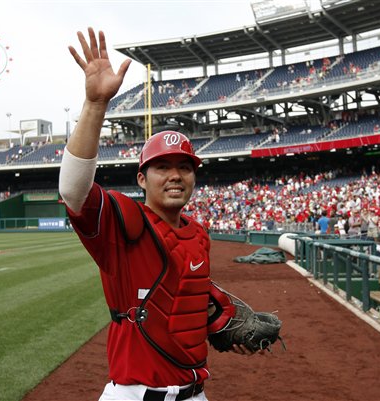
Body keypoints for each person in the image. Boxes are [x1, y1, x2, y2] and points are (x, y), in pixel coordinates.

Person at [59, 28, 258, 401]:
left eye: (184, 167)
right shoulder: (122, 224)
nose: (174, 175)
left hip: (193, 393)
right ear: (141, 177)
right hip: (131, 395)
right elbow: (73, 191)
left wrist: (221, 322)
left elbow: (185, 297)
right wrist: (95, 106)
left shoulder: (197, 234)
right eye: (161, 167)